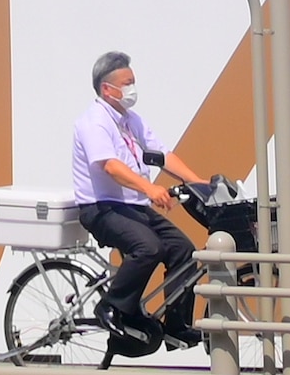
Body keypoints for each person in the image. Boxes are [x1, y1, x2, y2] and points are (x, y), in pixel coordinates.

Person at [66, 49, 213, 355]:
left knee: (183, 249)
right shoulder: (94, 122)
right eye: (127, 82)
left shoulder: (129, 120)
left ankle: (176, 326)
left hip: (132, 206)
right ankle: (112, 307)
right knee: (148, 248)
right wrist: (149, 188)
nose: (133, 89)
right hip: (101, 208)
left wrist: (199, 184)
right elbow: (110, 166)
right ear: (108, 89)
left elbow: (163, 155)